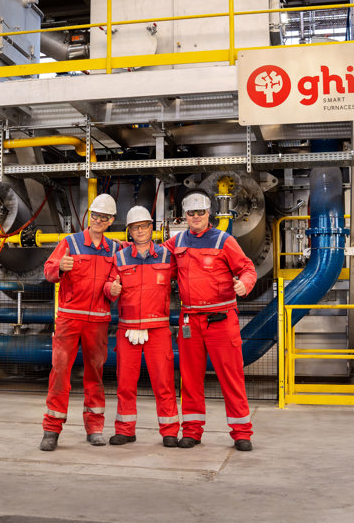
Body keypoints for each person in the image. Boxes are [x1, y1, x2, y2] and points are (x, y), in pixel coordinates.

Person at [163, 192, 258, 452]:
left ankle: (241, 433)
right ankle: (192, 431)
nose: (196, 217)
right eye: (191, 213)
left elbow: (248, 268)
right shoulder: (176, 242)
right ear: (185, 216)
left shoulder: (224, 241)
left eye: (201, 213)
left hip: (221, 320)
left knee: (232, 377)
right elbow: (155, 260)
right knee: (190, 379)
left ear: (209, 214)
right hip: (189, 322)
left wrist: (245, 284)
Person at [39, 193, 120, 451]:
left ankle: (95, 427)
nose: (98, 220)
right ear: (89, 217)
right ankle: (51, 429)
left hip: (97, 321)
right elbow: (49, 271)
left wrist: (112, 290)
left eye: (104, 217)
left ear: (111, 221)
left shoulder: (115, 249)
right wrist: (60, 267)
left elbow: (113, 282)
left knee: (94, 373)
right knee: (60, 371)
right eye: (95, 215)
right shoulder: (70, 243)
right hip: (69, 318)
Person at [104, 206, 179, 448]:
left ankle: (169, 431)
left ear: (151, 228)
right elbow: (108, 284)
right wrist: (110, 290)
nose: (140, 231)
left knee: (163, 382)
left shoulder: (168, 257)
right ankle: (125, 430)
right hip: (127, 330)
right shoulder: (120, 258)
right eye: (135, 228)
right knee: (125, 383)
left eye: (144, 226)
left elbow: (186, 276)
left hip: (158, 329)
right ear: (129, 232)